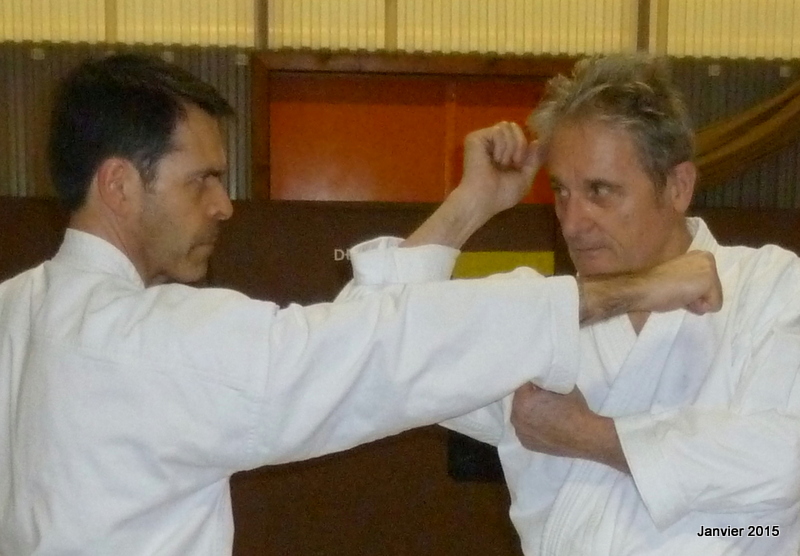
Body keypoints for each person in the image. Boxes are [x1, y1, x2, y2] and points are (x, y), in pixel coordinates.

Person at [0, 53, 721, 555]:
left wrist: (469, 206)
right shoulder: (149, 343)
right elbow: (375, 352)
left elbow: (363, 339)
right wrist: (626, 290)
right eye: (202, 180)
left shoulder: (17, 310)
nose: (224, 205)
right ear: (120, 186)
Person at [377, 53, 800, 555]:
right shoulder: (544, 315)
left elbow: (785, 460)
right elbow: (379, 351)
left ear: (678, 187)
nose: (573, 223)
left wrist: (589, 434)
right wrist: (470, 203)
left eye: (600, 191)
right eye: (561, 192)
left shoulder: (770, 287)